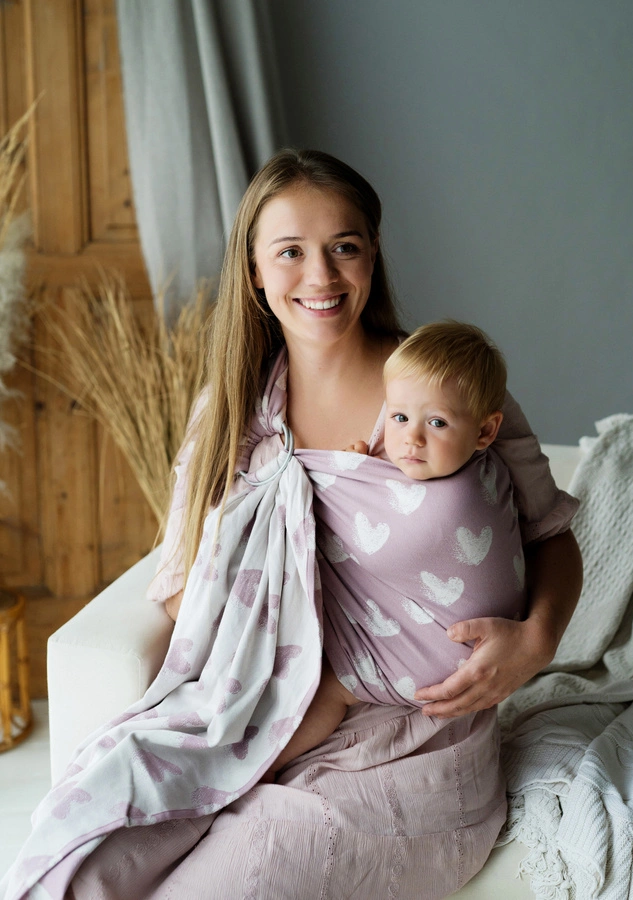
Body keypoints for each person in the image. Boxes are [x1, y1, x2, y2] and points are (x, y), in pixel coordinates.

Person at [6, 149, 582, 900]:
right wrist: (266, 631)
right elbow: (183, 584)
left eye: (344, 246)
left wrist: (537, 641)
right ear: (253, 269)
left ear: (373, 252)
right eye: (290, 252)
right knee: (82, 858)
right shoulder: (233, 415)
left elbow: (551, 534)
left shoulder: (447, 394)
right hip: (252, 712)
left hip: (406, 748)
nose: (321, 276)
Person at [265, 319, 523, 779]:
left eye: (437, 423)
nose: (411, 439)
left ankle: (268, 765)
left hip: (452, 662)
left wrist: (351, 485)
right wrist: (368, 470)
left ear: (486, 432)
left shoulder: (460, 500)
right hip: (475, 646)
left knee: (334, 686)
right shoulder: (485, 465)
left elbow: (347, 526)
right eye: (399, 418)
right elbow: (396, 492)